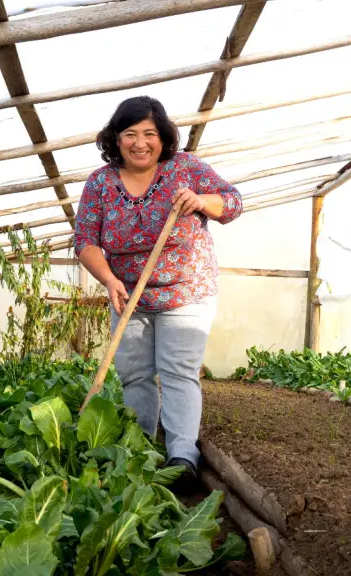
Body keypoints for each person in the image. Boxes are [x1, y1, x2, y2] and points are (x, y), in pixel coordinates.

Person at [73, 96, 243, 481]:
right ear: (116, 139)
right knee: (134, 375)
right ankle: (141, 450)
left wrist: (202, 200)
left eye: (149, 133)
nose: (140, 143)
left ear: (162, 137)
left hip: (186, 292)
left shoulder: (185, 169)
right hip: (128, 294)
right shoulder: (100, 183)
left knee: (178, 372)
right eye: (130, 134)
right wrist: (110, 280)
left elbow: (233, 202)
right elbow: (84, 240)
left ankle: (182, 456)